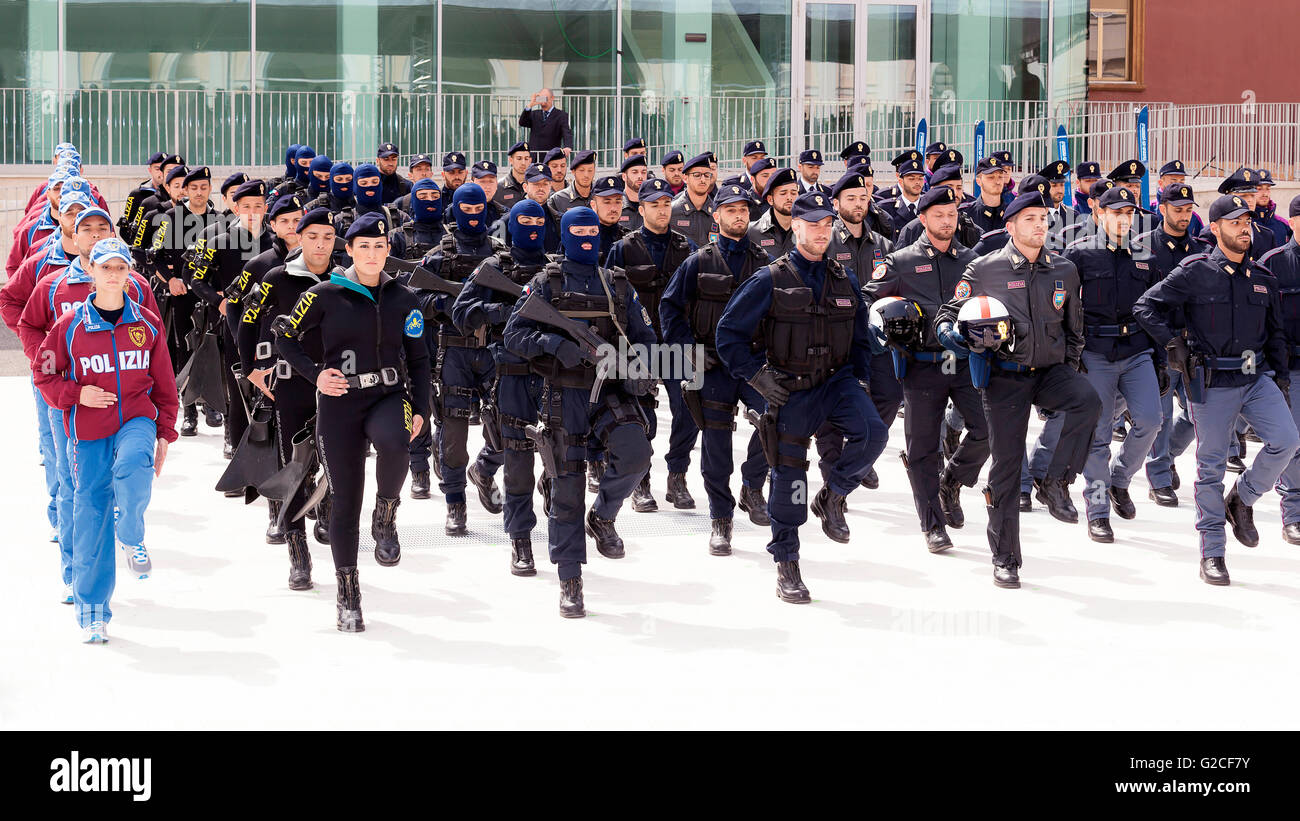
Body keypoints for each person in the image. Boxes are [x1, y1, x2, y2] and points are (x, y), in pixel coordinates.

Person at [715, 191, 889, 603]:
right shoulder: (769, 279)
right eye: (813, 225)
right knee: (789, 480)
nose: (822, 232)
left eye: (828, 225)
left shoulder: (843, 278)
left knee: (874, 434)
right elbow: (728, 335)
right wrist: (757, 377)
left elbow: (860, 338)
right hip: (790, 388)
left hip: (837, 383)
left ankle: (833, 495)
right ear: (795, 227)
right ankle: (787, 562)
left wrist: (861, 383)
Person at [273, 212, 432, 631]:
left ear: (388, 250)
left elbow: (419, 360)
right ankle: (348, 593)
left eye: (379, 247)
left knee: (396, 442)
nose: (372, 254)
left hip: (388, 395)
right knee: (345, 500)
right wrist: (315, 375)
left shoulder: (404, 299)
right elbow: (285, 336)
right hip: (340, 404)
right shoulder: (324, 293)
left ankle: (386, 513)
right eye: (364, 247)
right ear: (350, 251)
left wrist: (422, 408)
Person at [935, 191, 1101, 589]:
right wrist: (955, 337)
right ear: (1010, 226)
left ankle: (1056, 482)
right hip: (1004, 377)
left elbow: (1074, 329)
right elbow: (947, 316)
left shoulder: (1064, 269)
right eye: (1030, 218)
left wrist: (1069, 370)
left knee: (1088, 400)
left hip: (1050, 371)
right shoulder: (984, 269)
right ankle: (1005, 557)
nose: (1040, 224)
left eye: (1043, 218)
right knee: (1006, 468)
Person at [1133, 194, 1298, 586]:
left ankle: (1242, 498)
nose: (1244, 229)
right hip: (1212, 382)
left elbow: (1275, 333)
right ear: (1216, 227)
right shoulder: (1195, 271)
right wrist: (1173, 345)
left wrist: (1281, 380)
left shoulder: (1263, 277)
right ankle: (1212, 551)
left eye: (1247, 222)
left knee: (1287, 441)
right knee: (1210, 469)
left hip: (1256, 378)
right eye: (1235, 222)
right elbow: (1145, 307)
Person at [502, 206, 657, 617]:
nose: (587, 238)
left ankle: (603, 516)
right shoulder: (546, 283)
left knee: (636, 454)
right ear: (565, 235)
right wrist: (556, 346)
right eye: (578, 232)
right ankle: (570, 577)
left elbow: (645, 337)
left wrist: (641, 368)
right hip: (563, 394)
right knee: (567, 486)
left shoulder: (617, 284)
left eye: (592, 231)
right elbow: (514, 335)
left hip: (610, 390)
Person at [35, 237, 178, 643]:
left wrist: (165, 431)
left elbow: (164, 381)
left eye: (121, 267)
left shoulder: (146, 323)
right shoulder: (69, 326)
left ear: (130, 273)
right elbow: (44, 373)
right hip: (87, 431)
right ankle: (93, 612)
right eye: (106, 267)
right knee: (91, 513)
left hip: (136, 417)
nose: (114, 275)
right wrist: (76, 394)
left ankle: (130, 533)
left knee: (134, 464)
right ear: (91, 271)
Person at [864, 185, 986, 552]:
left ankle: (952, 481)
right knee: (922, 449)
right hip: (921, 367)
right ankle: (933, 525)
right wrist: (883, 323)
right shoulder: (900, 262)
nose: (947, 221)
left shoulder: (972, 261)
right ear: (923, 218)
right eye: (939, 215)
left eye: (952, 215)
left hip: (964, 363)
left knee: (988, 431)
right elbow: (868, 299)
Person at [661, 182, 775, 552]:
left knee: (774, 421)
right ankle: (721, 519)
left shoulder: (765, 263)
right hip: (711, 364)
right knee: (716, 445)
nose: (739, 216)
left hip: (753, 362)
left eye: (743, 210)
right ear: (717, 214)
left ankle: (752, 486)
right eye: (731, 210)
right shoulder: (698, 261)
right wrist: (688, 351)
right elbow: (670, 308)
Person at [450, 200, 554, 574]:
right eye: (524, 221)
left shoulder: (555, 269)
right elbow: (461, 313)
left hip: (553, 372)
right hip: (508, 371)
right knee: (517, 457)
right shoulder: (494, 267)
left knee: (561, 450)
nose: (532, 227)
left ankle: (553, 509)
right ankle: (520, 538)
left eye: (538, 221)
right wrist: (502, 313)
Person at [242, 209, 342, 588]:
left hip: (336, 386)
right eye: (312, 236)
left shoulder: (345, 278)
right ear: (299, 238)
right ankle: (298, 554)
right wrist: (250, 367)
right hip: (291, 385)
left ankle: (327, 506)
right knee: (294, 468)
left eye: (328, 237)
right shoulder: (277, 278)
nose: (320, 244)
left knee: (336, 460)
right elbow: (246, 318)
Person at [1062, 186, 1165, 543]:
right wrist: (1070, 356)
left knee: (1151, 421)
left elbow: (1155, 311)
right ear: (1100, 214)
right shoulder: (1079, 254)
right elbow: (1063, 308)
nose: (1123, 219)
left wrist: (1161, 360)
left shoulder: (1146, 258)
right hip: (1095, 353)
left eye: (1129, 213)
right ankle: (1098, 510)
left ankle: (1119, 480)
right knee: (1098, 434)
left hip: (1136, 351)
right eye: (1116, 212)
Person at [416, 183, 506, 532]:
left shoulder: (500, 253)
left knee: (507, 424)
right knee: (453, 433)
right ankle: (455, 501)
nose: (472, 216)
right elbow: (415, 300)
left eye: (478, 209)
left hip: (493, 350)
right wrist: (444, 303)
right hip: (454, 350)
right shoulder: (440, 255)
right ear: (454, 210)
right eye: (465, 210)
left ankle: (484, 469)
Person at [608, 177, 700, 513]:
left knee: (690, 409)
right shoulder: (623, 248)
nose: (662, 210)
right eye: (654, 205)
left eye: (665, 204)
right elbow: (610, 299)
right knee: (641, 414)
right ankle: (641, 482)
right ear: (641, 208)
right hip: (639, 345)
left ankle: (677, 475)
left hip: (679, 343)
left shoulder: (687, 247)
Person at [1138, 182, 1209, 505]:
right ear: (1162, 208)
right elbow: (1139, 303)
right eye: (1178, 210)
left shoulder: (1201, 250)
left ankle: (1167, 458)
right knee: (1162, 416)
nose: (1184, 216)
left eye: (1189, 210)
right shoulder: (1142, 247)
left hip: (1195, 345)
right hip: (1159, 345)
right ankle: (1159, 479)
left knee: (1197, 414)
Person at [1260, 194, 1300, 544]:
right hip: (1292, 367)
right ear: (1294, 222)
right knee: (1294, 441)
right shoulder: (1273, 264)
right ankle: (1294, 512)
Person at [747, 168, 798, 260]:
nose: (789, 198)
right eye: (783, 193)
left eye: (793, 193)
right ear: (770, 199)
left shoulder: (806, 231)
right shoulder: (752, 232)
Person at [670, 153, 718, 249]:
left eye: (707, 175)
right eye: (697, 175)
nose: (703, 180)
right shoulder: (671, 211)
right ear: (685, 178)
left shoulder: (717, 213)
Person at [395, 179, 447, 260]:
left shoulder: (451, 234)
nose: (430, 200)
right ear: (414, 202)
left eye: (435, 197)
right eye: (423, 197)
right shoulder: (399, 237)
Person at [518, 88, 572, 156]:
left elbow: (566, 132)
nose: (543, 100)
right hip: (535, 156)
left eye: (545, 98)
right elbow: (522, 122)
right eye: (541, 98)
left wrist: (568, 147)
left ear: (552, 98)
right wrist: (530, 105)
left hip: (551, 156)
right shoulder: (534, 114)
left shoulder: (561, 115)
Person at [963, 157, 1008, 236]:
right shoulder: (966, 214)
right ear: (978, 181)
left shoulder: (1012, 214)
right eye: (991, 177)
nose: (997, 182)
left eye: (1000, 177)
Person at [548, 149, 596, 216]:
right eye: (582, 170)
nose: (586, 175)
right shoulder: (558, 199)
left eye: (590, 170)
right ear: (573, 171)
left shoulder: (600, 197)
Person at [495, 141, 532, 212]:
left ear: (530, 160)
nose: (523, 163)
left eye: (526, 159)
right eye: (519, 158)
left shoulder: (535, 185)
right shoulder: (499, 187)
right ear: (511, 160)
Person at [618, 155, 650, 231]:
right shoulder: (616, 206)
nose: (640, 176)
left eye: (643, 172)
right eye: (635, 172)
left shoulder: (652, 206)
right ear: (624, 176)